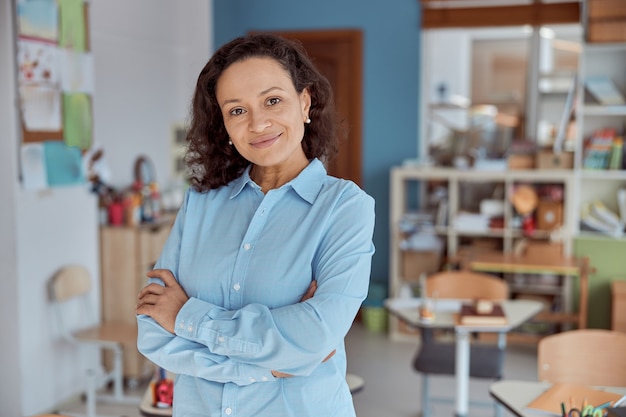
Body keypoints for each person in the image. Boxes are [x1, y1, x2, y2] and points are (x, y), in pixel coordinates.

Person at [136, 33, 375, 417]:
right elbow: (153, 333)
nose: (258, 123)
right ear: (224, 125)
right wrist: (272, 363)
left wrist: (188, 317)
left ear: (305, 101)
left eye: (273, 100)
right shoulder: (200, 204)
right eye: (237, 110)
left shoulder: (345, 208)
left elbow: (317, 336)